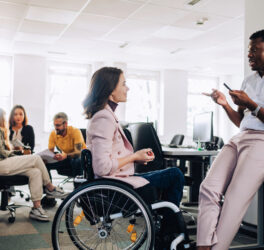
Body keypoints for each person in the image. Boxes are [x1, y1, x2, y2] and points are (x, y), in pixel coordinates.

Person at [83, 67, 185, 248]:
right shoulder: (104, 118)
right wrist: (133, 158)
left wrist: (136, 158)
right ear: (110, 91)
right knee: (175, 175)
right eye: (123, 83)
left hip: (118, 181)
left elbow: (109, 157)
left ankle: (166, 231)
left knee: (171, 175)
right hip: (116, 187)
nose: (127, 88)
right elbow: (102, 167)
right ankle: (168, 235)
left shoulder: (105, 115)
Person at [197, 29, 264, 250]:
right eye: (249, 51)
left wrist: (252, 104)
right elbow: (240, 120)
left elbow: (254, 112)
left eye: (255, 50)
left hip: (261, 142)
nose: (250, 55)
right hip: (239, 138)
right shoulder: (248, 80)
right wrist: (225, 103)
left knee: (234, 200)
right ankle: (204, 245)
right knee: (209, 187)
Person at [0, 108, 67, 222]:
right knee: (36, 158)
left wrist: (16, 153)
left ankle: (36, 208)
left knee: (35, 172)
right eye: (4, 117)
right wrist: (15, 153)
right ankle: (50, 188)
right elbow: (1, 152)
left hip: (5, 162)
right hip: (2, 164)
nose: (6, 119)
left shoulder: (3, 131)